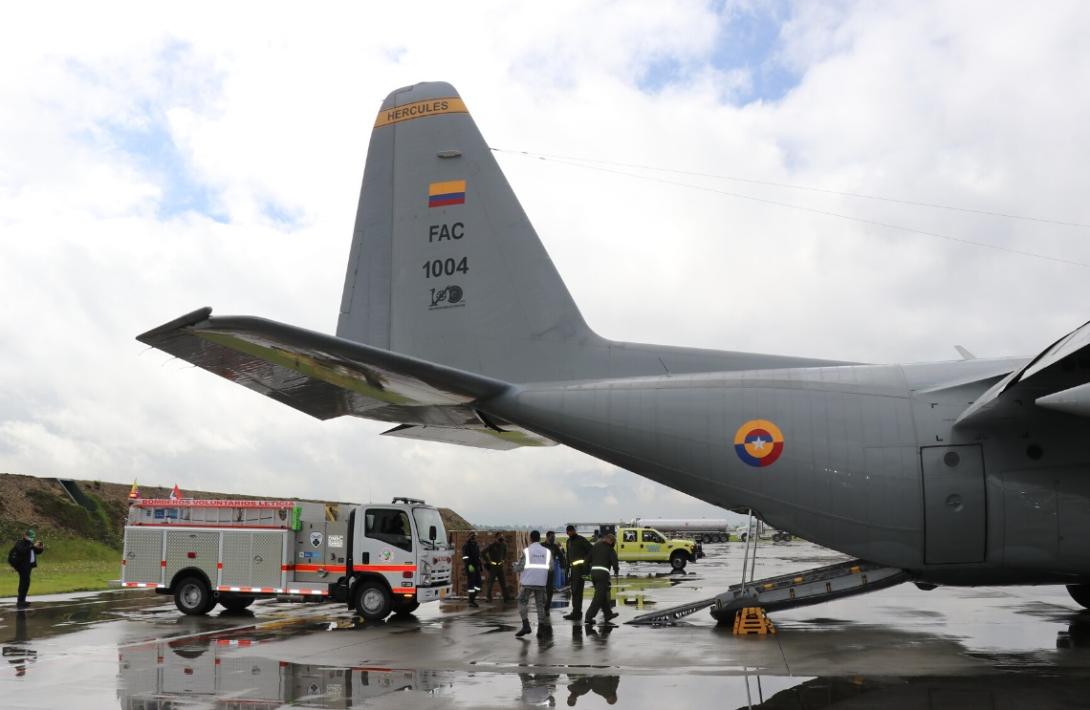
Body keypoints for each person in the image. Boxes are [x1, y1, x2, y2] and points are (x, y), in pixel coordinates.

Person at [514, 530, 552, 638]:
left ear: (530, 539)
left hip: (528, 582)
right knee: (540, 605)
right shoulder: (547, 552)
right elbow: (552, 567)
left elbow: (519, 568)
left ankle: (526, 625)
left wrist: (514, 566)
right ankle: (541, 629)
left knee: (522, 601)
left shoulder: (527, 551)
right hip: (541, 582)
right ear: (540, 538)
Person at [583, 531, 619, 626]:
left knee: (601, 595)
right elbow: (615, 562)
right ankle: (588, 616)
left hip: (594, 574)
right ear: (611, 541)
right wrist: (616, 571)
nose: (614, 544)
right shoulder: (610, 550)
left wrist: (586, 572)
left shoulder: (596, 546)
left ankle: (608, 614)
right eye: (614, 542)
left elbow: (587, 560)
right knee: (598, 597)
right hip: (602, 575)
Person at [7, 529, 45, 609]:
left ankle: (22, 600)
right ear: (25, 536)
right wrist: (32, 546)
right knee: (24, 582)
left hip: (28, 566)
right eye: (30, 537)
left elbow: (36, 551)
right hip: (22, 566)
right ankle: (20, 601)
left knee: (26, 583)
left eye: (33, 537)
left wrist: (40, 548)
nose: (32, 538)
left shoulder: (30, 543)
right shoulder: (20, 543)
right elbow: (22, 551)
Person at [563, 525, 592, 621]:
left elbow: (591, 551)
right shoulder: (568, 542)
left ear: (574, 531)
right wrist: (567, 571)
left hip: (580, 570)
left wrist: (586, 565)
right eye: (569, 532)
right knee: (574, 591)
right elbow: (568, 557)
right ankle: (576, 612)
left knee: (578, 592)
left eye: (572, 531)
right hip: (573, 570)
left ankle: (576, 613)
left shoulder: (581, 540)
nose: (570, 533)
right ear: (567, 533)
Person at [482, 533, 512, 602]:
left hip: (500, 566)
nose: (501, 539)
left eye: (502, 537)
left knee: (503, 582)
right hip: (493, 567)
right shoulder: (492, 545)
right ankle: (488, 597)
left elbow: (505, 553)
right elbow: (483, 553)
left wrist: (503, 560)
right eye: (499, 538)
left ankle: (506, 597)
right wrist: (488, 561)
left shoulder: (504, 545)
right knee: (491, 582)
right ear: (496, 538)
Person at [542, 530, 567, 613]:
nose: (553, 538)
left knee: (549, 589)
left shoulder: (555, 547)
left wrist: (563, 567)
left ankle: (547, 606)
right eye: (552, 537)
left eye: (554, 537)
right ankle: (542, 604)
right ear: (547, 537)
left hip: (550, 571)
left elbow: (561, 557)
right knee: (541, 589)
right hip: (541, 571)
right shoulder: (542, 546)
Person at [462, 531, 482, 607]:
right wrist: (469, 565)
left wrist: (480, 566)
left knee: (479, 584)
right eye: (472, 535)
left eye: (474, 536)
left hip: (476, 567)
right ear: (469, 536)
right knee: (471, 585)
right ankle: (471, 601)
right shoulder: (466, 545)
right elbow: (465, 557)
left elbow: (478, 556)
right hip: (471, 567)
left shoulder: (476, 545)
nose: (473, 537)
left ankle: (472, 599)